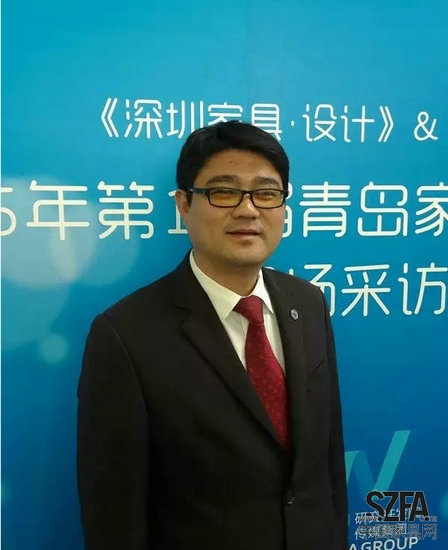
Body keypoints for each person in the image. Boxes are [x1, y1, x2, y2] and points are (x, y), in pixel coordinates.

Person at [77, 121, 348, 550]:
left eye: (267, 193)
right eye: (224, 192)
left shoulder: (309, 303)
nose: (248, 210)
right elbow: (114, 514)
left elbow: (329, 460)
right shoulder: (125, 336)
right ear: (184, 204)